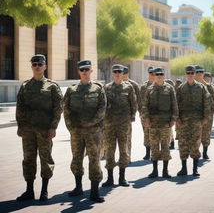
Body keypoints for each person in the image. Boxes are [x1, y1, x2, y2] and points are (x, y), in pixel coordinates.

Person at [16, 54, 63, 201]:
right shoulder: (25, 86)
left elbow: (58, 108)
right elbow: (20, 108)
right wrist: (20, 126)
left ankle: (44, 191)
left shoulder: (52, 86)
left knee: (45, 159)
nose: (37, 66)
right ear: (31, 67)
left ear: (45, 67)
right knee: (28, 159)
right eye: (34, 64)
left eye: (40, 64)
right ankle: (29, 191)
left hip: (45, 130)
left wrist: (53, 127)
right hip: (28, 130)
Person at [63, 60, 106, 203]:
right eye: (82, 70)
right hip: (76, 132)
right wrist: (70, 127)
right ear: (79, 72)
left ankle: (94, 191)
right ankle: (78, 187)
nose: (85, 72)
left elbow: (102, 109)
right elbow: (66, 110)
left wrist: (91, 123)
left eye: (87, 69)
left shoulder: (98, 89)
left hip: (94, 132)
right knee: (76, 159)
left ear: (91, 70)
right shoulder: (72, 89)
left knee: (94, 160)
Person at [102, 64, 137, 187]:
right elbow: (102, 105)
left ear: (123, 74)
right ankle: (110, 178)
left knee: (123, 150)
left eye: (119, 72)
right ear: (112, 73)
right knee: (109, 151)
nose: (117, 73)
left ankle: (122, 178)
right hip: (109, 125)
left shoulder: (128, 88)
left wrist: (131, 118)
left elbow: (133, 103)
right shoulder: (106, 88)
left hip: (123, 125)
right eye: (115, 71)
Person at [142, 67, 178, 178]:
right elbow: (145, 106)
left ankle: (165, 171)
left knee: (165, 147)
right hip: (153, 124)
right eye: (157, 74)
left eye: (161, 74)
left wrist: (173, 120)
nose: (159, 76)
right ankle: (155, 171)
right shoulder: (149, 89)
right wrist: (146, 119)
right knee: (154, 147)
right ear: (154, 76)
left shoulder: (170, 88)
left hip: (165, 123)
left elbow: (174, 105)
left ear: (164, 75)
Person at [176, 65, 211, 176]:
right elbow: (176, 104)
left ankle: (195, 169)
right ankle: (184, 169)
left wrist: (206, 117)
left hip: (197, 121)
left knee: (195, 144)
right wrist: (177, 118)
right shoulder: (181, 88)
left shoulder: (201, 87)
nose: (190, 75)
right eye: (188, 73)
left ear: (195, 74)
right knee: (183, 144)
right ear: (186, 74)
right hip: (183, 122)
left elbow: (206, 103)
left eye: (192, 73)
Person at [195, 68, 214, 159]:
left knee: (206, 133)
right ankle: (195, 151)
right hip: (196, 114)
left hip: (208, 113)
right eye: (197, 72)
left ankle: (205, 151)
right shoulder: (193, 85)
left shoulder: (210, 86)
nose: (199, 74)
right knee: (195, 133)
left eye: (201, 73)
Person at [122, 66, 140, 162]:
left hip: (128, 116)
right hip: (115, 117)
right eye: (122, 73)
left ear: (128, 73)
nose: (123, 75)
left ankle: (128, 157)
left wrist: (140, 114)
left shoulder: (133, 85)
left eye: (124, 73)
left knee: (128, 138)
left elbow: (138, 100)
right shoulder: (115, 84)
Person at [140, 66, 155, 160]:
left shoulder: (159, 85)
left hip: (157, 115)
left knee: (156, 134)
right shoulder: (144, 86)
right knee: (146, 133)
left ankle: (156, 153)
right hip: (146, 114)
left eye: (154, 73)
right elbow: (140, 100)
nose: (152, 75)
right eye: (150, 73)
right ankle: (147, 153)